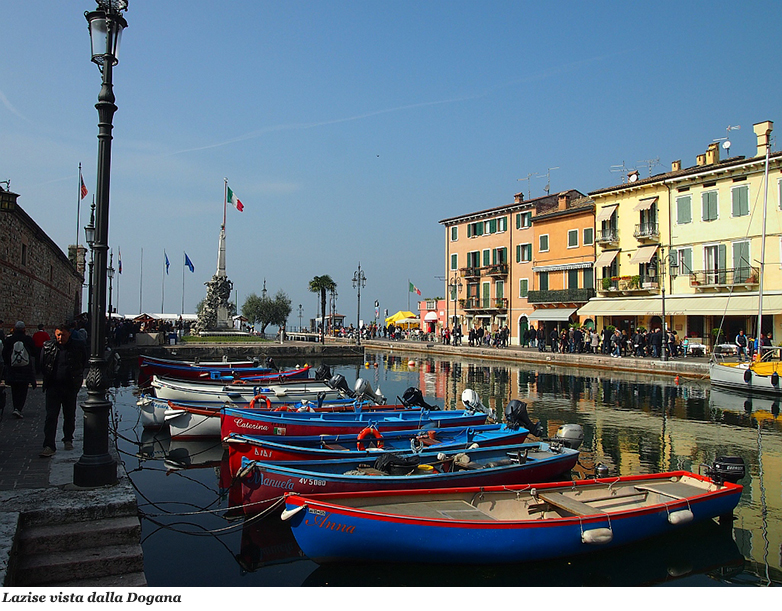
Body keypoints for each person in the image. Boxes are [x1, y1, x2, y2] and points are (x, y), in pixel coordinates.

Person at [39, 321, 88, 457]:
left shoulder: (77, 347)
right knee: (51, 416)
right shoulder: (48, 347)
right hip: (53, 386)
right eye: (58, 335)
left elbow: (82, 363)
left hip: (70, 386)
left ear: (69, 334)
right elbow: (43, 363)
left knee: (69, 415)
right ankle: (49, 445)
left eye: (63, 335)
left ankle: (68, 439)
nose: (60, 338)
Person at [2, 321, 37, 418]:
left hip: (13, 368)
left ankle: (15, 407)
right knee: (23, 389)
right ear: (24, 329)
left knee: (14, 389)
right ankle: (18, 408)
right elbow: (34, 352)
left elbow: (4, 353)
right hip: (25, 368)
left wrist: (8, 362)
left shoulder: (10, 340)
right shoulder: (27, 339)